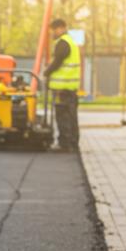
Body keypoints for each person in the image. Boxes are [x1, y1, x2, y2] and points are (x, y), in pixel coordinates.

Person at [42, 18, 81, 152]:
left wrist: (46, 73)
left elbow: (57, 61)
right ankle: (72, 143)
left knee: (63, 116)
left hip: (62, 89)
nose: (52, 34)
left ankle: (65, 144)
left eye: (53, 30)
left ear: (60, 28)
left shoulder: (63, 42)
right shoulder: (71, 41)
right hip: (69, 88)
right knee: (71, 116)